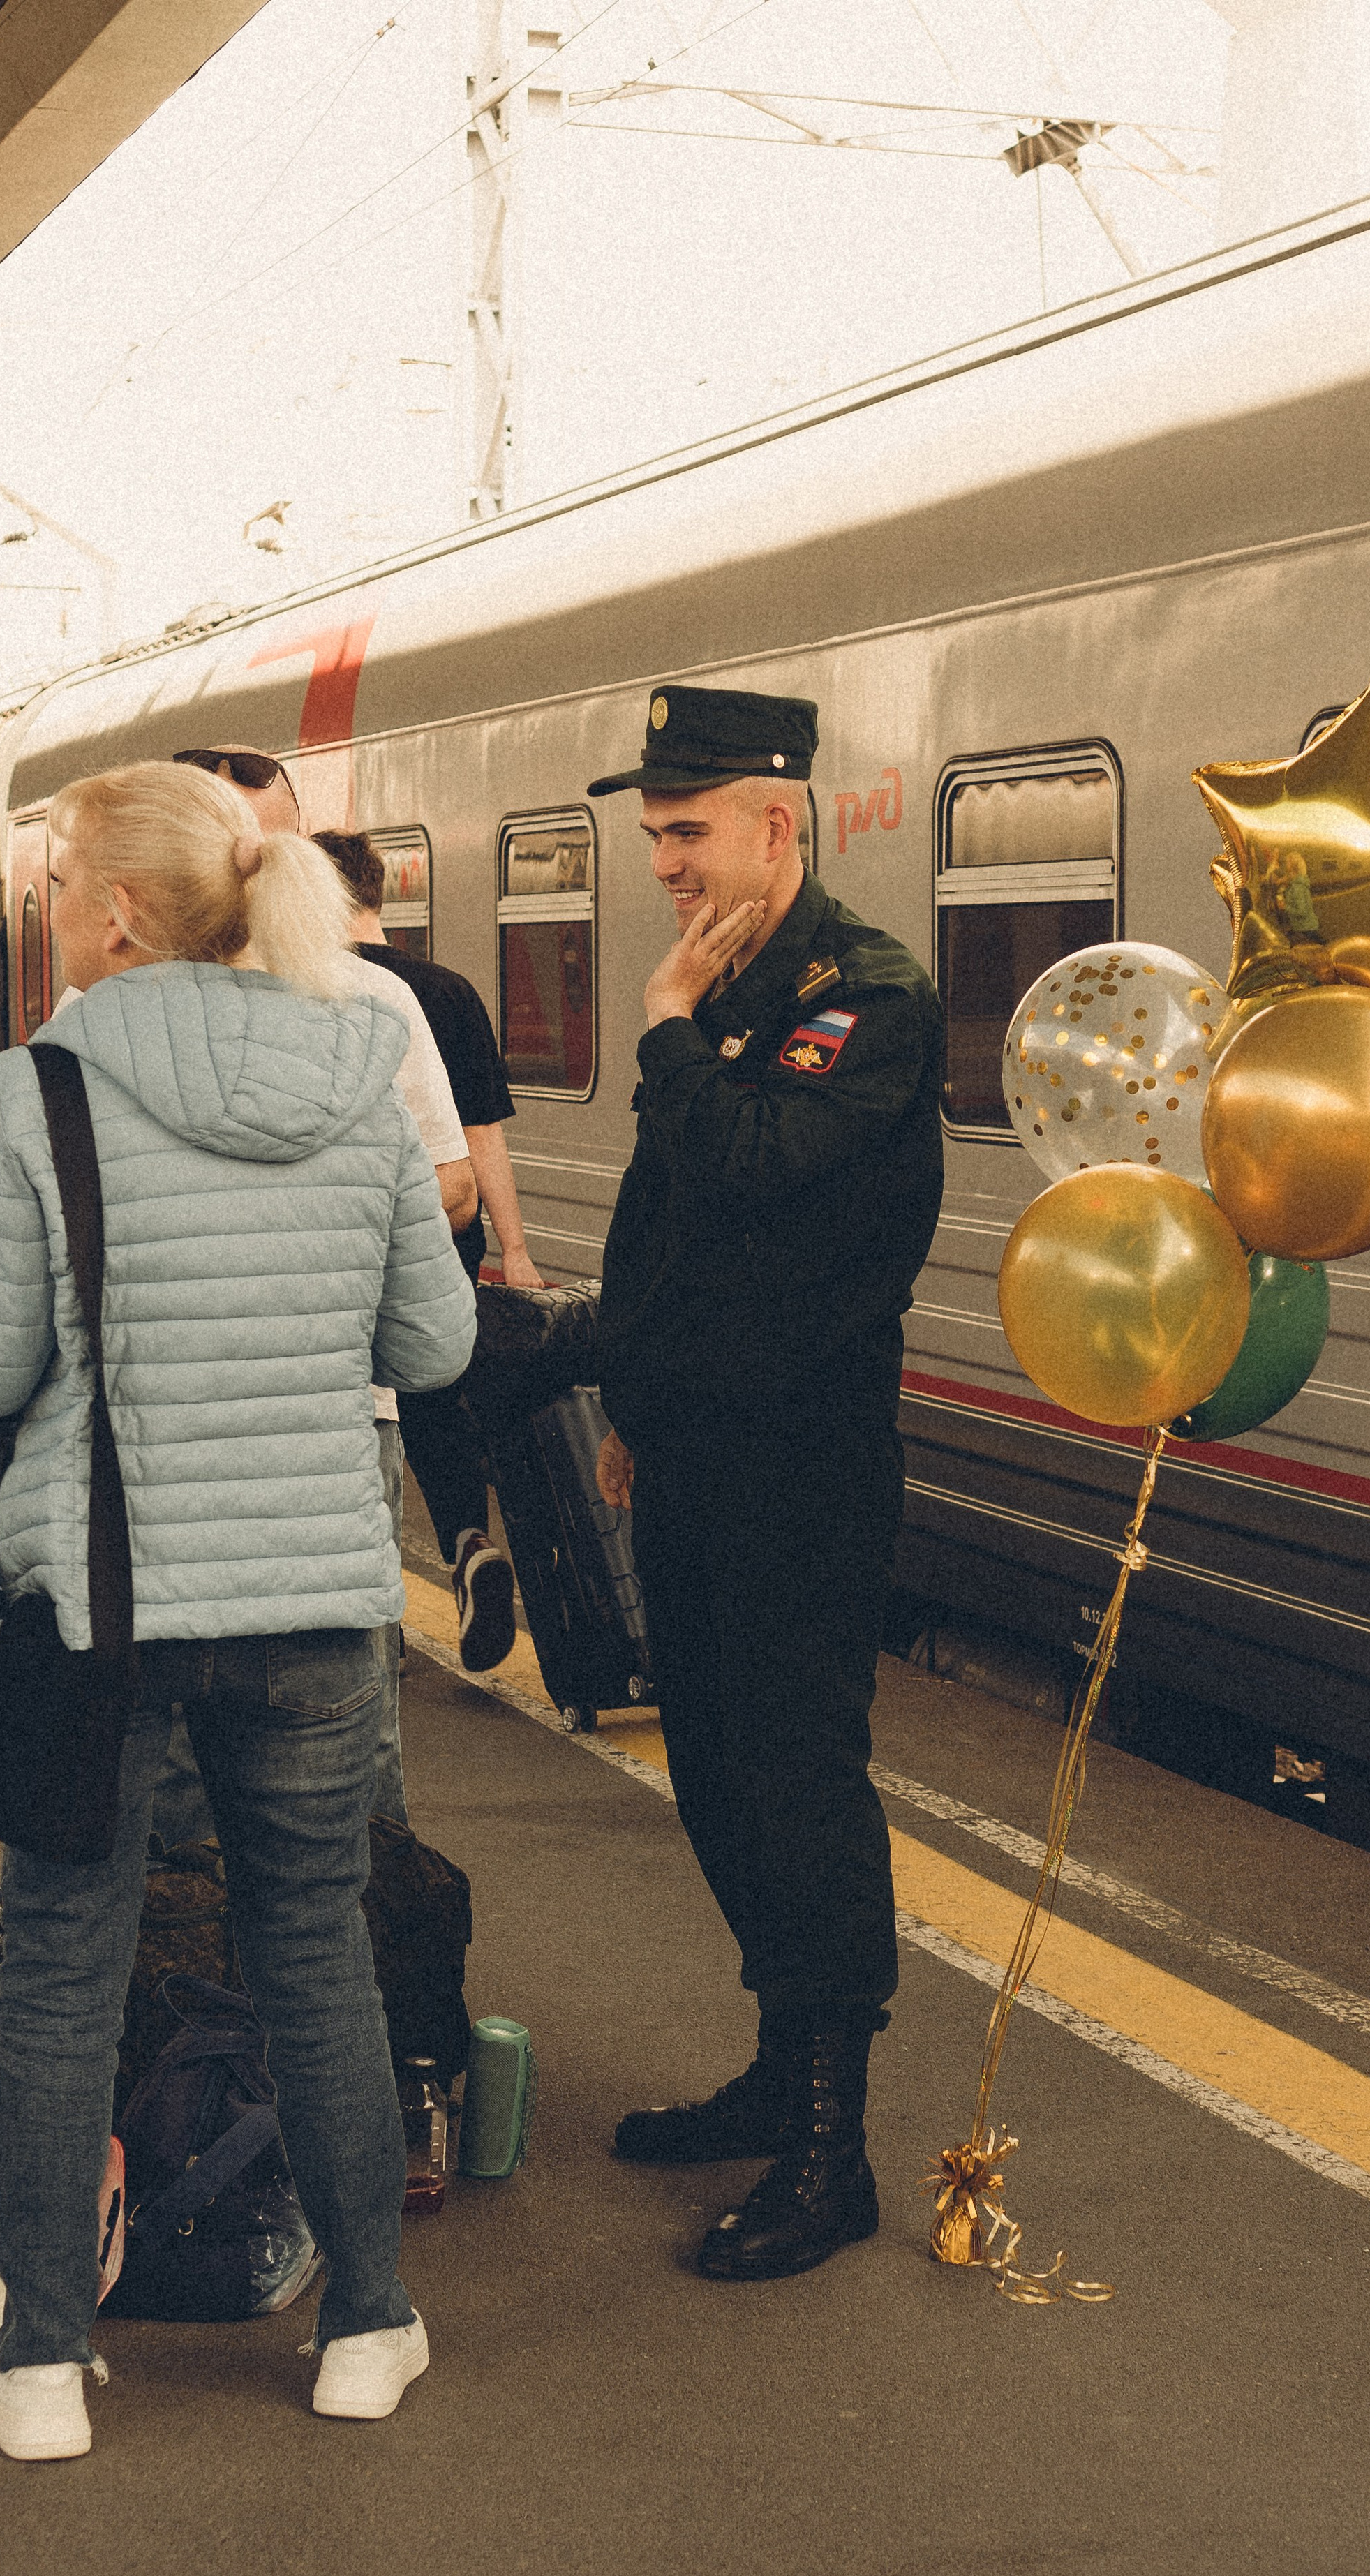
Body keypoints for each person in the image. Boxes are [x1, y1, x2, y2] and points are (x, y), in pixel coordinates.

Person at [0, 761, 477, 2457]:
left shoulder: (34, 1092)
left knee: (66, 1973)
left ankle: (47, 2365)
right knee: (319, 1961)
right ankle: (369, 2325)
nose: (43, 903)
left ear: (120, 910)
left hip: (99, 1618)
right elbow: (430, 1349)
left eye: (57, 875)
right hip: (310, 1608)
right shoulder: (359, 1075)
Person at [588, 685, 944, 2283]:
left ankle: (829, 2147)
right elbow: (669, 1222)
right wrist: (630, 1393)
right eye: (652, 832)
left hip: (800, 1463)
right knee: (719, 1769)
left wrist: (664, 1022)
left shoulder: (861, 992)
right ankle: (770, 2064)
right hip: (694, 1442)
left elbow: (750, 1167)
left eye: (685, 828)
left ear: (775, 824)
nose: (661, 859)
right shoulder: (734, 974)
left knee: (796, 1779)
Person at [137, 752, 477, 1836]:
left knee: (191, 1724)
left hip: (185, 1432)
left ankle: (207, 1972)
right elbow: (448, 1219)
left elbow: (450, 1185)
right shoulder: (369, 1003)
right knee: (339, 1720)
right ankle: (357, 1962)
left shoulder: (98, 1027)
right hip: (329, 1422)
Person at [313, 828, 541, 1673]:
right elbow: (480, 1136)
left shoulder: (315, 988)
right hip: (447, 1234)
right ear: (378, 893)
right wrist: (513, 1249)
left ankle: (374, 1609)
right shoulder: (447, 991)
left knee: (364, 1413)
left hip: (353, 1237)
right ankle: (468, 1541)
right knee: (439, 1396)